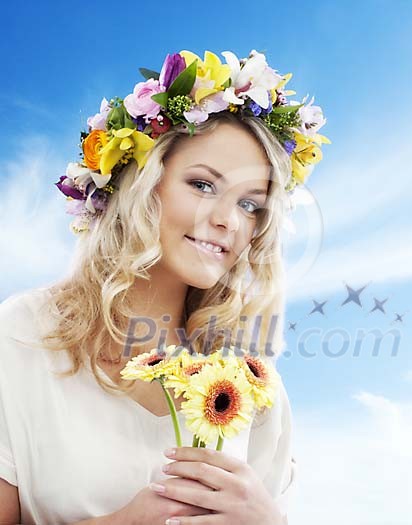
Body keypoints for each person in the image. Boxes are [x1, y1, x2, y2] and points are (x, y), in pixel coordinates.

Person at [0, 48, 328, 525]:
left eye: (250, 205)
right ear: (140, 186)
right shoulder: (23, 337)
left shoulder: (256, 385)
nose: (227, 221)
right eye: (202, 185)